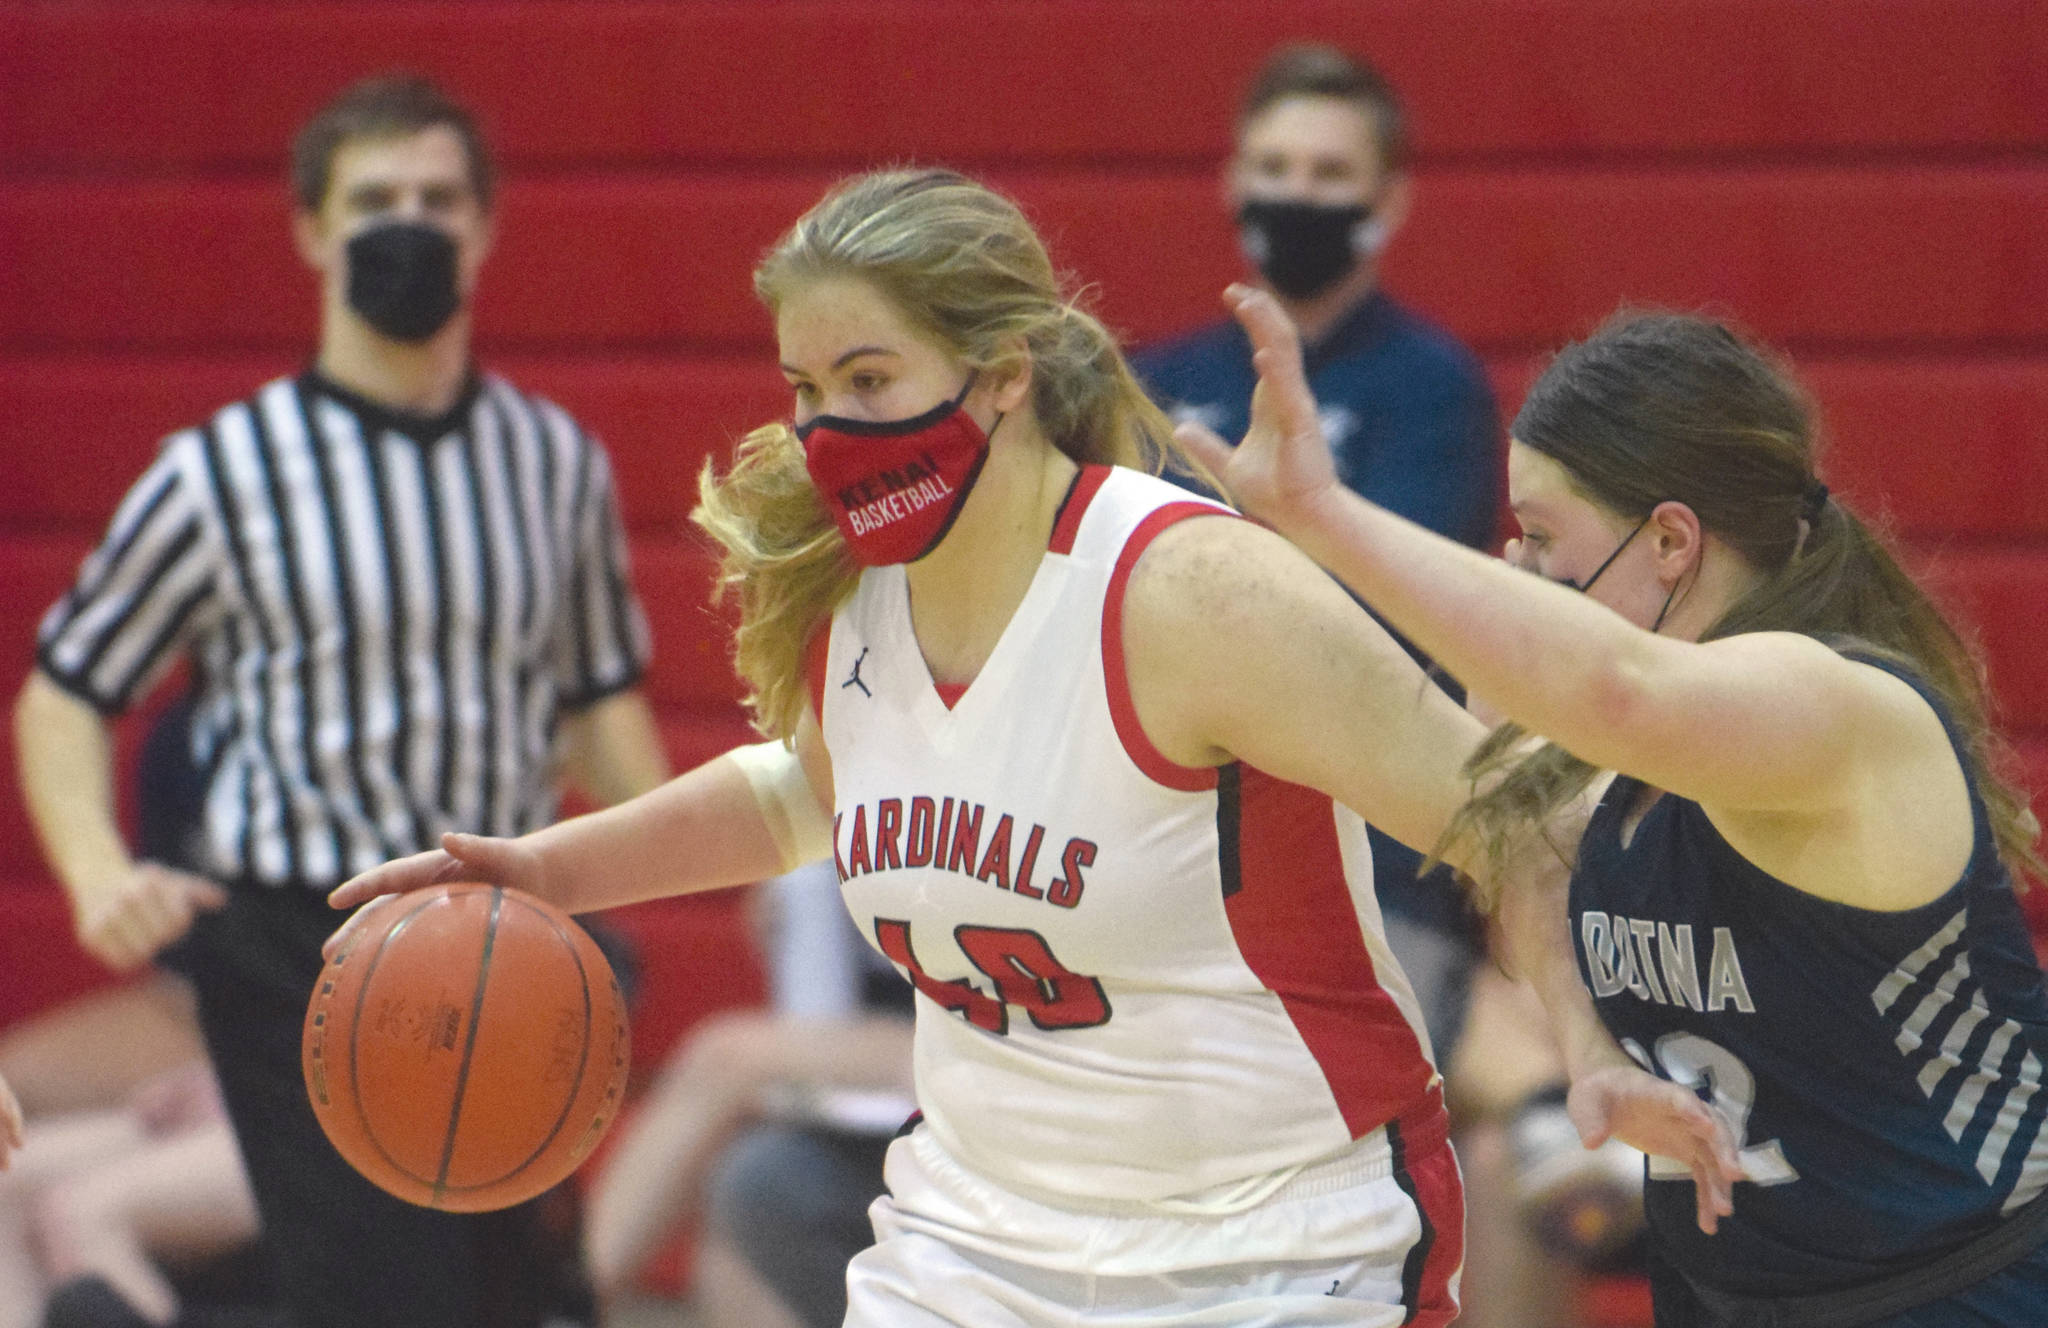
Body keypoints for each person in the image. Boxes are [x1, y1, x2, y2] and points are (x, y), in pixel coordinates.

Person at [328, 168, 1736, 1327]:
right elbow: (803, 793)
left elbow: (1498, 817)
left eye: (871, 376)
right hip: (971, 1253)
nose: (827, 427)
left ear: (1001, 377)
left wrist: (1583, 1045)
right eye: (805, 385)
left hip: (1269, 1257)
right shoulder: (851, 587)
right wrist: (547, 869)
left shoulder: (1187, 593)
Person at [1183, 286, 2048, 1326]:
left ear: (1670, 541)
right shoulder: (1624, 752)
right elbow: (1531, 859)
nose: (1529, 571)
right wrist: (1589, 1051)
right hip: (1736, 1290)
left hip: (1966, 1284)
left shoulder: (1836, 706)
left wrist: (1325, 516)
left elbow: (1617, 689)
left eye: (1547, 537)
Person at [13, 73, 669, 1328]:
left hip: (505, 931)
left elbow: (596, 699)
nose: (408, 225)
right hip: (301, 948)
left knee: (523, 1300)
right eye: (374, 201)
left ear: (484, 228)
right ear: (312, 231)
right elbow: (64, 692)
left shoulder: (553, 461)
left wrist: (725, 837)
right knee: (381, 1293)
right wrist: (97, 871)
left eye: (436, 199)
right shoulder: (219, 471)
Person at [1132, 42, 1500, 1061]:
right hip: (1157, 849)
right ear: (1231, 182)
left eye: (1330, 175)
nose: (1297, 195)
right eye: (1276, 169)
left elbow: (1381, 617)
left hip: (1375, 864)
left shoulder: (1432, 390)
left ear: (1388, 200)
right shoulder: (1146, 382)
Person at [582, 861, 914, 1328]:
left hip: (959, 1053)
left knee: (725, 1057)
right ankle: (569, 1298)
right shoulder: (856, 824)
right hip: (874, 1064)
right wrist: (787, 936)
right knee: (737, 1190)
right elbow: (824, 997)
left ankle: (571, 1299)